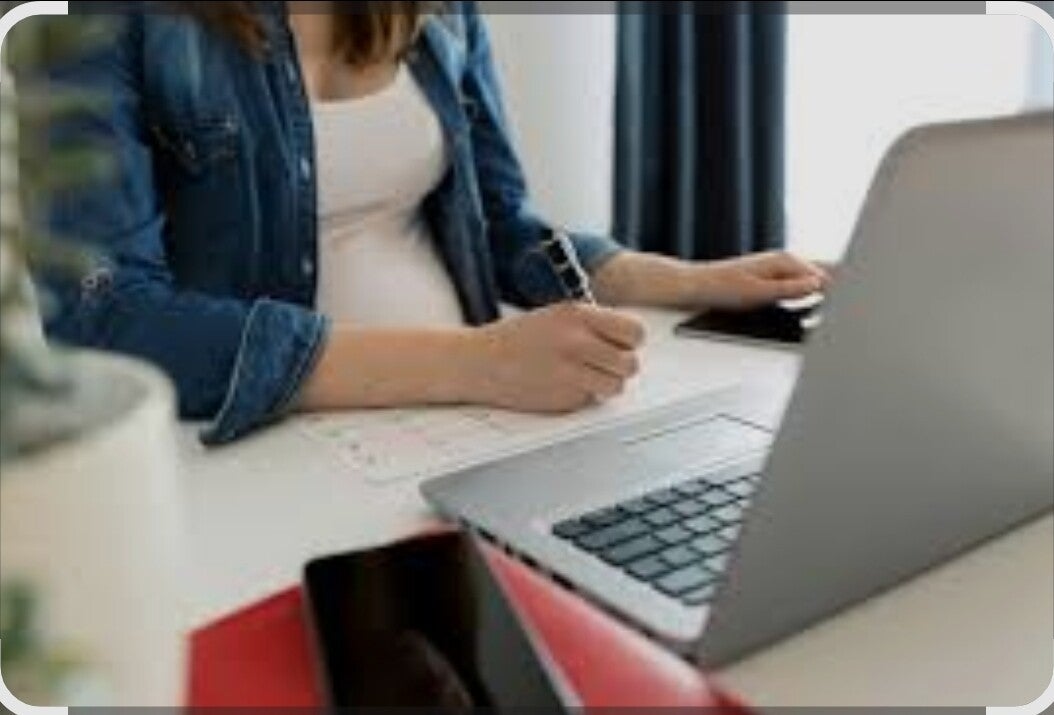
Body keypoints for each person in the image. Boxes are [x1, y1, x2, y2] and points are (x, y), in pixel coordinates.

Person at [38, 1, 827, 445]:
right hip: (281, 445)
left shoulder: (439, 11)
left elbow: (500, 223)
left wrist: (689, 280)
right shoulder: (109, 20)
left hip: (471, 424)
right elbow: (104, 317)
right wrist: (475, 362)